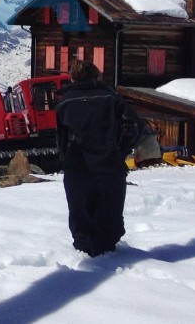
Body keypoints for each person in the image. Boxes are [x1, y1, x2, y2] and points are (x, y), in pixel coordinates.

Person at [56, 59, 132, 257]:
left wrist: (67, 160)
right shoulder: (112, 98)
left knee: (80, 215)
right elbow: (135, 127)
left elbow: (61, 139)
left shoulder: (64, 102)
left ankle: (85, 253)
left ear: (72, 78)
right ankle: (107, 254)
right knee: (108, 214)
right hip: (109, 166)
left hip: (77, 167)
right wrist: (121, 150)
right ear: (96, 75)